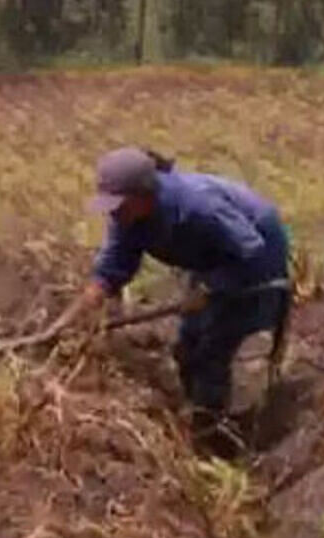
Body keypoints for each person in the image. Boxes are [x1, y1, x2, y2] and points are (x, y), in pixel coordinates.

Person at [46, 147, 291, 445]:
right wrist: (90, 298)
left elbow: (250, 252)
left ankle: (211, 434)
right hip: (211, 258)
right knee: (187, 344)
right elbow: (115, 263)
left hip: (256, 249)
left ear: (144, 196)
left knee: (214, 347)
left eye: (119, 205)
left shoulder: (198, 207)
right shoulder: (126, 216)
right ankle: (195, 410)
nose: (113, 212)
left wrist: (211, 287)